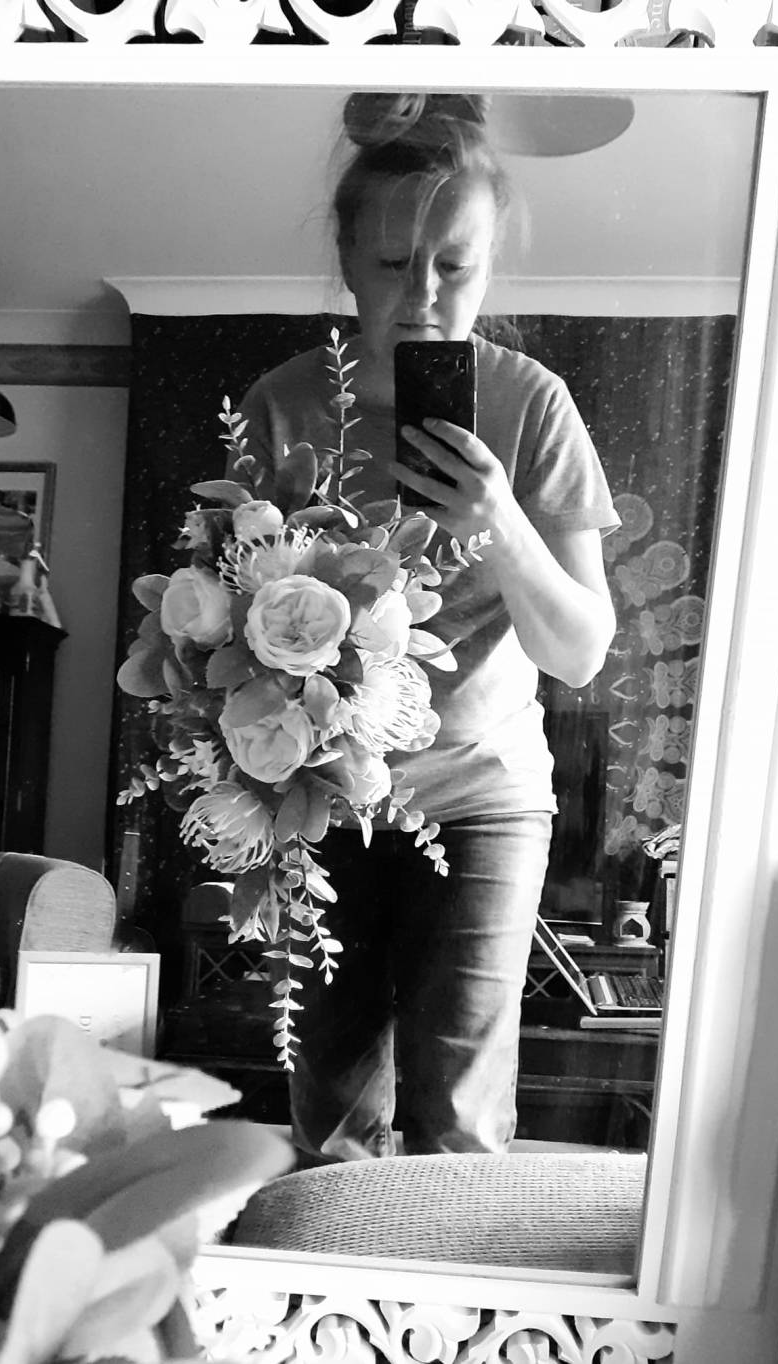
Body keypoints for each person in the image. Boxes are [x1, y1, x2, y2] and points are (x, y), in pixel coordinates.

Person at [233, 91, 618, 1165]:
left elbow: (580, 650)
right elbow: (228, 626)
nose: (427, 296)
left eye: (457, 265)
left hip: (484, 796)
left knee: (462, 1122)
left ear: (489, 266)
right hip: (318, 796)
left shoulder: (532, 404)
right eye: (396, 263)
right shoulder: (281, 405)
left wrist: (498, 520)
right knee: (331, 1114)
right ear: (348, 262)